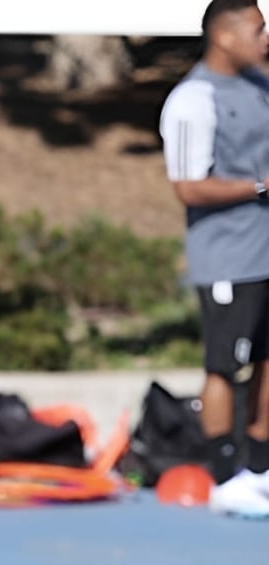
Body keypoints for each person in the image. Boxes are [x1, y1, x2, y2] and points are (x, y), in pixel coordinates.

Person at [159, 0, 269, 518]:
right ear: (224, 36)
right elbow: (188, 186)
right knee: (225, 365)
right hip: (228, 256)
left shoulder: (259, 85)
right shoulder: (192, 99)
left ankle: (260, 468)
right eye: (258, 28)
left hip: (267, 252)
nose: (266, 37)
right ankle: (225, 473)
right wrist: (259, 186)